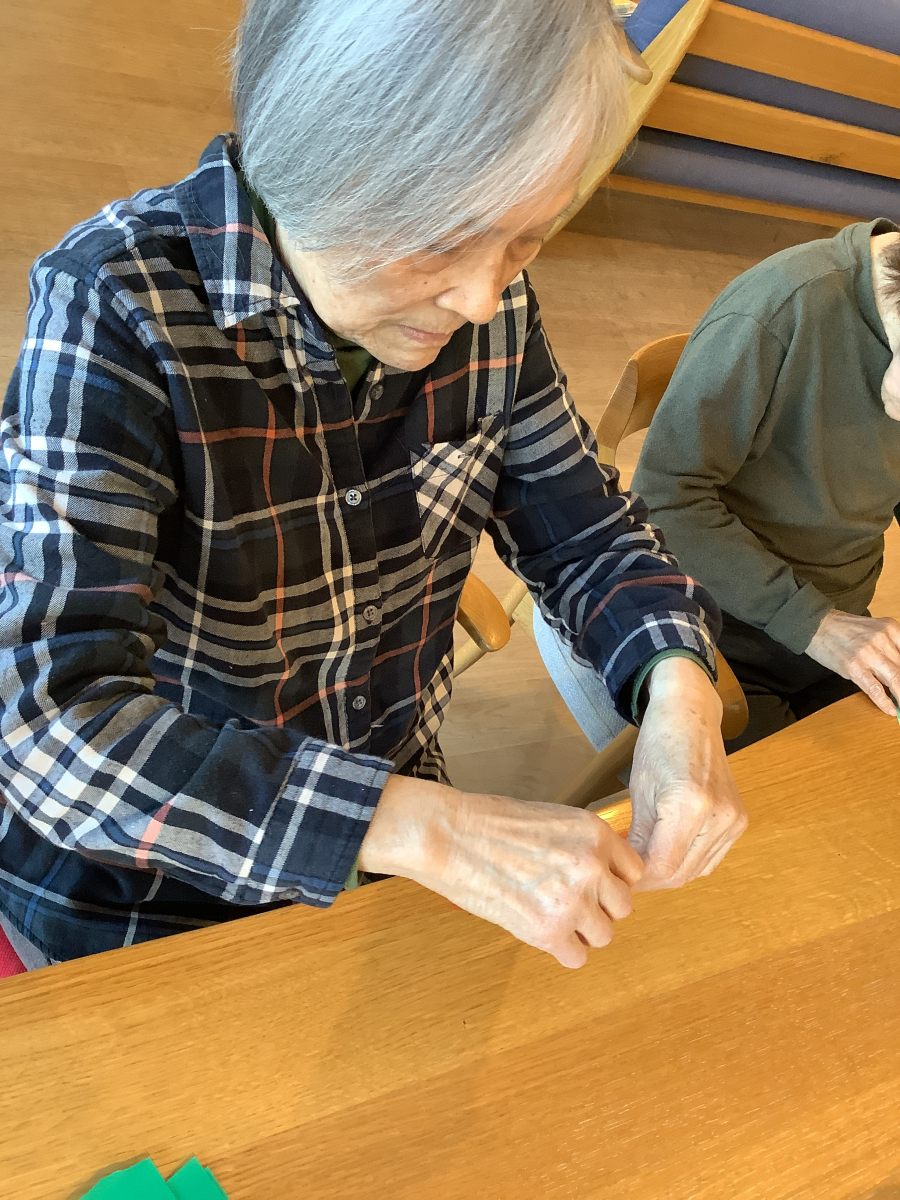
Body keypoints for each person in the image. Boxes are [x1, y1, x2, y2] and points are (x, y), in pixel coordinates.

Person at [0, 0, 745, 971]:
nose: (482, 297)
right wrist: (414, 827)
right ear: (315, 156)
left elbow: (585, 531)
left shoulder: (487, 306)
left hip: (391, 841)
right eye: (440, 241)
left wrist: (679, 691)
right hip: (146, 898)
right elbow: (49, 723)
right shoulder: (114, 303)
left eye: (525, 240)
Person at [537, 219, 900, 752]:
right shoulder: (780, 310)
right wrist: (816, 623)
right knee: (779, 801)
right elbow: (665, 498)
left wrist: (830, 625)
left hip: (835, 624)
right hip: (713, 623)